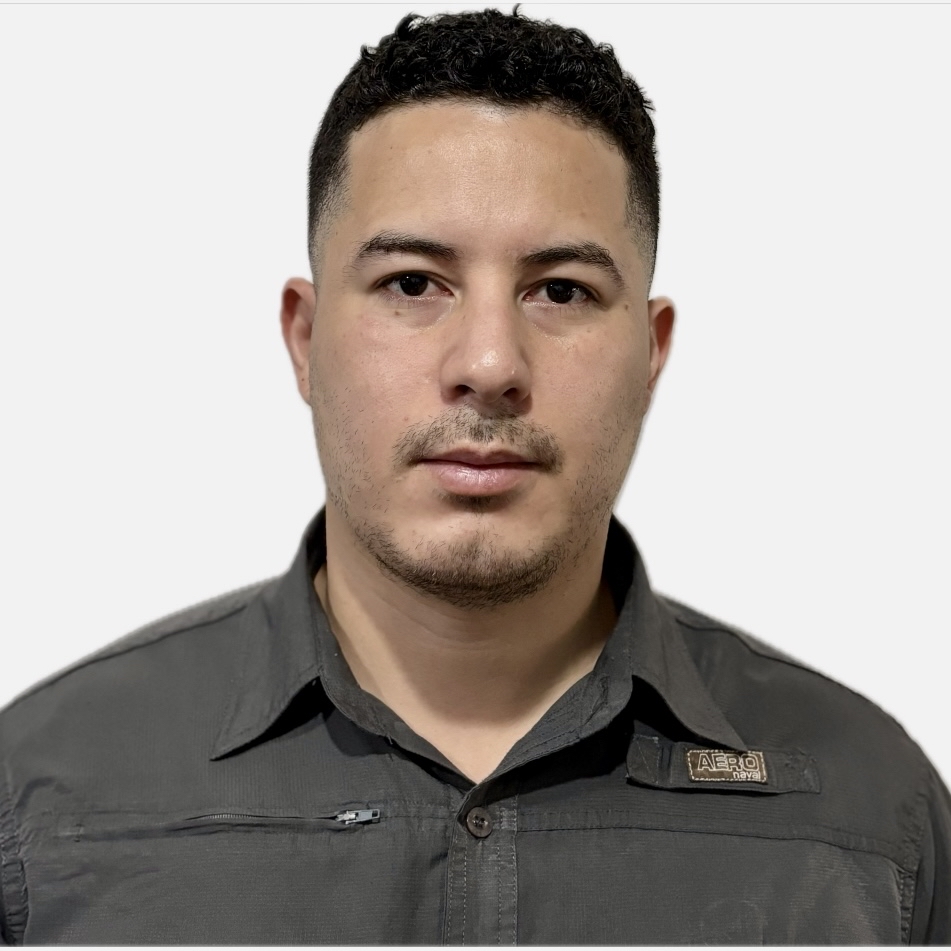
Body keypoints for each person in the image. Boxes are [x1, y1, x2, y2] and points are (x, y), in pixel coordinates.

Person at [0, 7, 947, 945]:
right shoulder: (42, 800)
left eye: (561, 290)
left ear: (650, 354)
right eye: (413, 282)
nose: (489, 363)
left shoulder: (874, 822)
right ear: (305, 337)